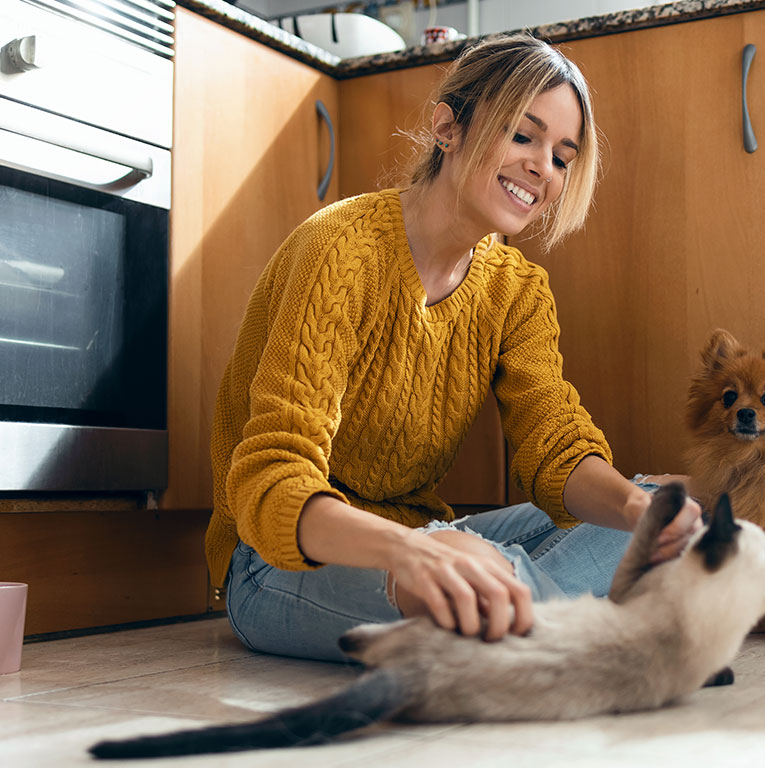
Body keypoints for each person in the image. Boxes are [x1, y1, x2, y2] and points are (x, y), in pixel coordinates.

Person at [206, 33, 702, 662]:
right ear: (448, 126)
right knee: (479, 575)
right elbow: (270, 480)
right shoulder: (339, 252)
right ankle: (584, 631)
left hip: (425, 539)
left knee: (653, 513)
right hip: (279, 563)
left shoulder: (517, 290)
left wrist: (636, 506)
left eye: (562, 156)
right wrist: (410, 552)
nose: (542, 169)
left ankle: (519, 607)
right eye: (523, 136)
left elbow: (555, 447)